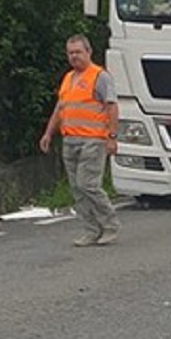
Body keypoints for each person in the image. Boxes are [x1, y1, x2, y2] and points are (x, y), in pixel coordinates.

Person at [39, 35, 121, 247]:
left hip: (93, 140)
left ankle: (110, 224)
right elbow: (60, 107)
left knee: (88, 184)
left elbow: (112, 107)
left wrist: (112, 137)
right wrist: (48, 133)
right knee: (77, 189)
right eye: (70, 53)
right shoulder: (68, 78)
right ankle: (91, 230)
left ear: (88, 52)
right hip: (70, 140)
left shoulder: (99, 76)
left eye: (78, 52)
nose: (74, 56)